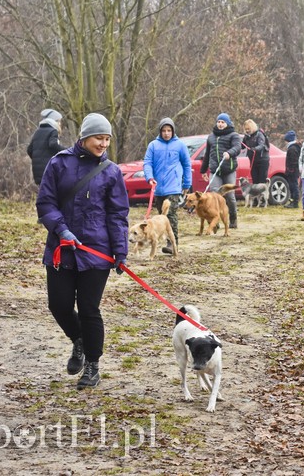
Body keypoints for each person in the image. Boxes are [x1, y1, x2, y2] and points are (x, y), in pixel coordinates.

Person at [36, 113, 130, 389]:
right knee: (59, 304)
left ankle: (92, 365)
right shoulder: (58, 163)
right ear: (84, 137)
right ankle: (78, 340)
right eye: (99, 138)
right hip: (61, 248)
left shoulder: (111, 172)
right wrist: (61, 229)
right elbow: (45, 203)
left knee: (89, 308)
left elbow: (117, 214)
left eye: (107, 139)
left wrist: (120, 252)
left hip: (96, 251)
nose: (103, 144)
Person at [142, 117, 192, 253]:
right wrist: (150, 177)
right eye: (164, 130)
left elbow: (187, 164)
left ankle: (172, 243)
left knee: (170, 215)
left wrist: (187, 183)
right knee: (161, 216)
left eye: (169, 130)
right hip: (157, 188)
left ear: (173, 131)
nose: (166, 133)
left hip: (173, 186)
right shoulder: (153, 145)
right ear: (160, 131)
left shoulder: (179, 145)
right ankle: (157, 239)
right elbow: (147, 163)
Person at [201, 113, 242, 228]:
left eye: (223, 122)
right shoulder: (211, 137)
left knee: (229, 196)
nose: (220, 124)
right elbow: (207, 154)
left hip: (229, 170)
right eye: (218, 122)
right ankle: (215, 220)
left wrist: (230, 153)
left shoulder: (233, 135)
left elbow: (237, 148)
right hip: (215, 171)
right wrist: (203, 170)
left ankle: (233, 219)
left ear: (227, 123)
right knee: (214, 195)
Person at [27, 108, 66, 186]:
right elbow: (53, 145)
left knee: (43, 195)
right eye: (59, 121)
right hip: (50, 172)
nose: (60, 124)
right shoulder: (53, 131)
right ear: (55, 121)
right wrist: (67, 151)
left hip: (38, 173)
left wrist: (38, 159)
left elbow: (29, 150)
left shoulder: (37, 132)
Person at [242, 119, 270, 185]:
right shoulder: (246, 137)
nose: (247, 131)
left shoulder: (259, 134)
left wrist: (254, 149)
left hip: (262, 160)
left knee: (261, 181)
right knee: (254, 180)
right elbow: (242, 146)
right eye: (246, 129)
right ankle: (257, 194)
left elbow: (261, 145)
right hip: (253, 161)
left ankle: (262, 194)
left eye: (248, 129)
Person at [283, 130, 301, 209]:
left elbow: (294, 161)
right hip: (292, 171)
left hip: (293, 171)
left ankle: (295, 202)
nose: (285, 143)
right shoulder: (293, 147)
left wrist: (290, 170)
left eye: (286, 141)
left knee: (294, 186)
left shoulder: (292, 149)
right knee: (292, 186)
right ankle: (292, 201)